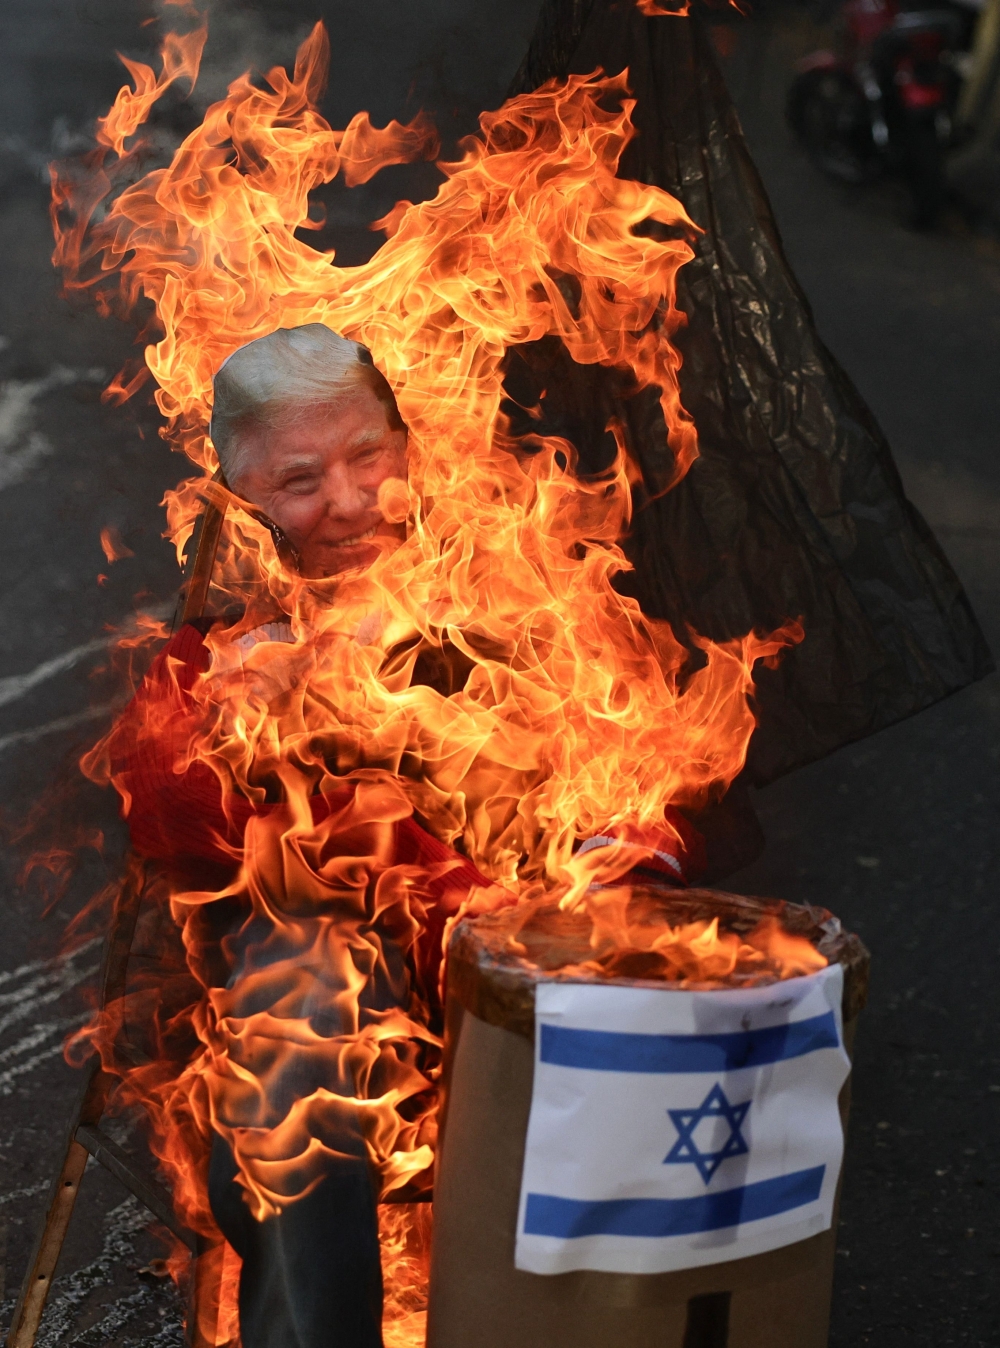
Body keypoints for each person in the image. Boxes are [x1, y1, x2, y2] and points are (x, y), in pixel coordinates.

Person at [109, 323, 701, 1348]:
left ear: (405, 447)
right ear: (240, 495)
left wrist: (607, 874)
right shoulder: (227, 643)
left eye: (366, 457)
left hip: (534, 945)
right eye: (298, 480)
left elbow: (642, 785)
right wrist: (285, 720)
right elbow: (173, 813)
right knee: (295, 1025)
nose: (347, 501)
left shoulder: (514, 579)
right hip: (348, 969)